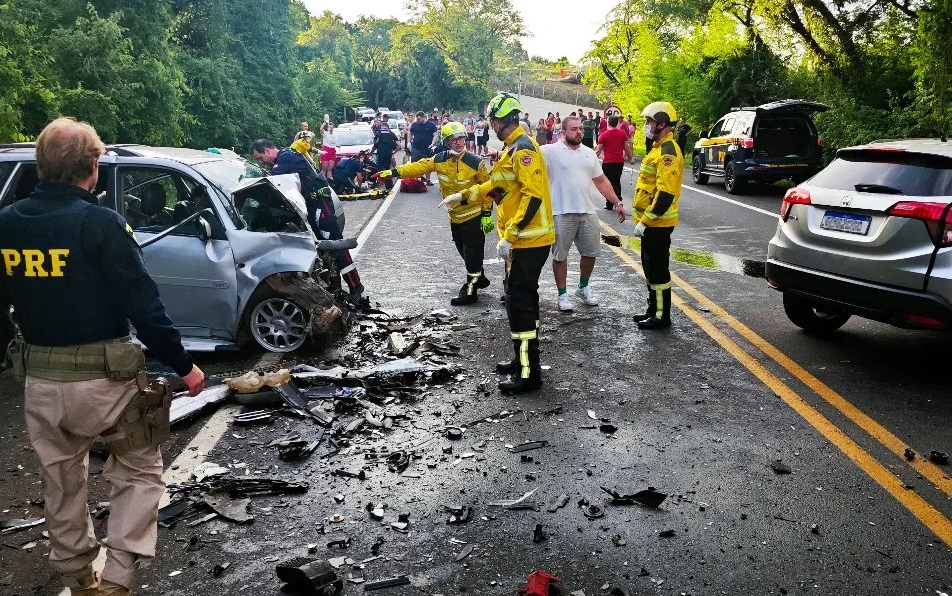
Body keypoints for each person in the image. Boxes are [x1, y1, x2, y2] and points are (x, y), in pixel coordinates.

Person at [0, 117, 205, 596]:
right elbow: (144, 306)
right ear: (91, 167)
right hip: (106, 384)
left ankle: (76, 575)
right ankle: (116, 579)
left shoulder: (5, 224)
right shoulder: (101, 224)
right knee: (139, 469)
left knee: (61, 478)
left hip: (40, 381)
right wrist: (185, 367)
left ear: (43, 166)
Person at [442, 93, 554, 394]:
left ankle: (529, 374)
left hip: (529, 241)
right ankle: (521, 360)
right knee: (521, 302)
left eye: (492, 120)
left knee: (519, 303)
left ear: (501, 120)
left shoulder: (523, 148)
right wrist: (464, 196)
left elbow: (534, 195)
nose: (490, 125)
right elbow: (497, 186)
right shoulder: (511, 148)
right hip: (519, 241)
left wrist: (512, 233)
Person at [373, 122, 492, 306]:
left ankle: (470, 291)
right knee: (465, 253)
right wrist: (392, 172)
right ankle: (479, 277)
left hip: (473, 216)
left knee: (472, 253)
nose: (458, 143)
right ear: (447, 142)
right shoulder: (439, 159)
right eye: (453, 140)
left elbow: (488, 189)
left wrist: (486, 213)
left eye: (460, 138)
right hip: (454, 217)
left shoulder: (476, 162)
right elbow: (417, 167)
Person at [251, 139, 364, 299]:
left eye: (260, 158)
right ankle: (335, 288)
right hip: (311, 206)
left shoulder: (287, 158)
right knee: (324, 248)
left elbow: (272, 181)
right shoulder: (283, 159)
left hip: (320, 203)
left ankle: (355, 285)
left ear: (268, 151)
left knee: (334, 243)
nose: (261, 162)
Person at [541, 116, 625, 312]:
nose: (579, 132)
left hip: (587, 211)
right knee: (560, 255)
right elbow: (524, 156)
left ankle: (583, 287)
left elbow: (602, 181)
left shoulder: (589, 153)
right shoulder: (549, 151)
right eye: (574, 129)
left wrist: (617, 202)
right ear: (562, 132)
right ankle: (562, 294)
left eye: (580, 129)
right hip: (561, 212)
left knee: (590, 252)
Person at [632, 101, 684, 329]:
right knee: (650, 269)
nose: (646, 125)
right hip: (652, 224)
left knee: (658, 271)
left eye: (649, 121)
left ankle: (662, 316)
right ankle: (653, 309)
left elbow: (665, 194)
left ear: (662, 123)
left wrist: (645, 222)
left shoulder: (668, 152)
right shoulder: (657, 148)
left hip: (658, 224)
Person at [595, 115, 632, 210]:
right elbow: (627, 148)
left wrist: (594, 160)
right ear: (617, 123)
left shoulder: (603, 135)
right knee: (616, 181)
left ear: (608, 123)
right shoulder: (622, 134)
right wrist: (631, 159)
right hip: (619, 162)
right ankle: (618, 200)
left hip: (607, 162)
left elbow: (598, 150)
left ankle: (609, 204)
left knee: (607, 183)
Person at [408, 111, 438, 186]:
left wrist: (432, 143)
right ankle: (417, 179)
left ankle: (428, 179)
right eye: (417, 119)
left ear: (423, 117)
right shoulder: (415, 125)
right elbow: (410, 133)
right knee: (415, 164)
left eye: (419, 119)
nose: (417, 120)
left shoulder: (431, 125)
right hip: (416, 148)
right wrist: (409, 141)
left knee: (427, 164)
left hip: (427, 148)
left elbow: (435, 135)